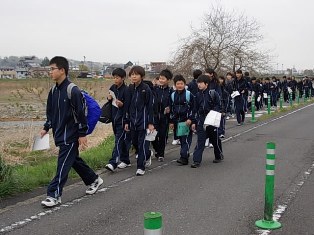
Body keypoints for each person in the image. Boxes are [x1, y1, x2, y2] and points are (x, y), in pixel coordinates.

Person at [40, 56, 103, 207]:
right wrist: (46, 127)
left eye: (52, 69)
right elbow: (51, 113)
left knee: (63, 164)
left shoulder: (72, 90)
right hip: (60, 133)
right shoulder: (54, 90)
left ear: (62, 70)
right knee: (72, 160)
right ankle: (94, 179)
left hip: (71, 134)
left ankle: (54, 194)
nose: (50, 72)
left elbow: (80, 115)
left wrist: (82, 134)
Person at [125, 66, 154, 176]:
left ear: (141, 76)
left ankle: (140, 167)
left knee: (142, 144)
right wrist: (127, 121)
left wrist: (150, 123)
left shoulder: (146, 89)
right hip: (133, 121)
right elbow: (127, 106)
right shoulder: (130, 89)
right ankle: (147, 154)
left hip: (144, 121)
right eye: (132, 74)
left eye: (136, 74)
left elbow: (150, 106)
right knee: (135, 143)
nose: (134, 76)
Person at [191, 75, 223, 167]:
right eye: (198, 83)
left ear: (206, 84)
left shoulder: (213, 93)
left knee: (215, 140)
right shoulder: (197, 95)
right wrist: (194, 121)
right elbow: (195, 109)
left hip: (212, 120)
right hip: (201, 120)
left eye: (201, 83)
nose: (199, 85)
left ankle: (219, 155)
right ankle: (196, 161)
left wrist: (213, 113)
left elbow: (219, 105)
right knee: (200, 141)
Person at [105, 68, 131, 172]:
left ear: (123, 78)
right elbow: (110, 100)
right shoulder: (112, 87)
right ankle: (126, 160)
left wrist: (122, 105)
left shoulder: (127, 90)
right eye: (114, 77)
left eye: (117, 77)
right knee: (122, 140)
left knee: (118, 140)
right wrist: (109, 98)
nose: (115, 79)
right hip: (114, 118)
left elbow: (128, 106)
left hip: (122, 119)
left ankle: (113, 162)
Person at [169, 75, 195, 165]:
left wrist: (190, 119)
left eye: (181, 83)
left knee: (185, 140)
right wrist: (171, 121)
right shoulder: (172, 95)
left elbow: (193, 108)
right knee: (181, 139)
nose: (179, 85)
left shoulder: (188, 94)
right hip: (177, 121)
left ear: (184, 84)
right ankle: (185, 155)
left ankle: (183, 158)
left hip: (186, 121)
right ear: (175, 85)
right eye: (178, 84)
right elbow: (171, 109)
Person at [151, 69, 173, 162]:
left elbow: (172, 103)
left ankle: (161, 154)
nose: (161, 80)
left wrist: (169, 108)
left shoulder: (170, 91)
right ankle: (156, 150)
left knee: (163, 135)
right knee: (153, 135)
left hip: (165, 117)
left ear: (168, 80)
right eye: (160, 78)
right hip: (155, 115)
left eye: (163, 78)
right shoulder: (154, 89)